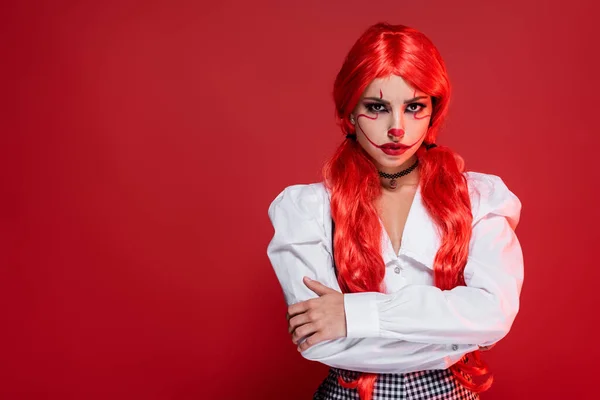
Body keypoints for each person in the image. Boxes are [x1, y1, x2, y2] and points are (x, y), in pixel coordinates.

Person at [266, 22, 524, 400]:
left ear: (434, 111)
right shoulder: (306, 209)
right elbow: (318, 341)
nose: (397, 128)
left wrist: (354, 315)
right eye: (377, 107)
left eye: (414, 106)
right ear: (350, 112)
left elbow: (494, 314)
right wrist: (450, 335)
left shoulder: (479, 197)